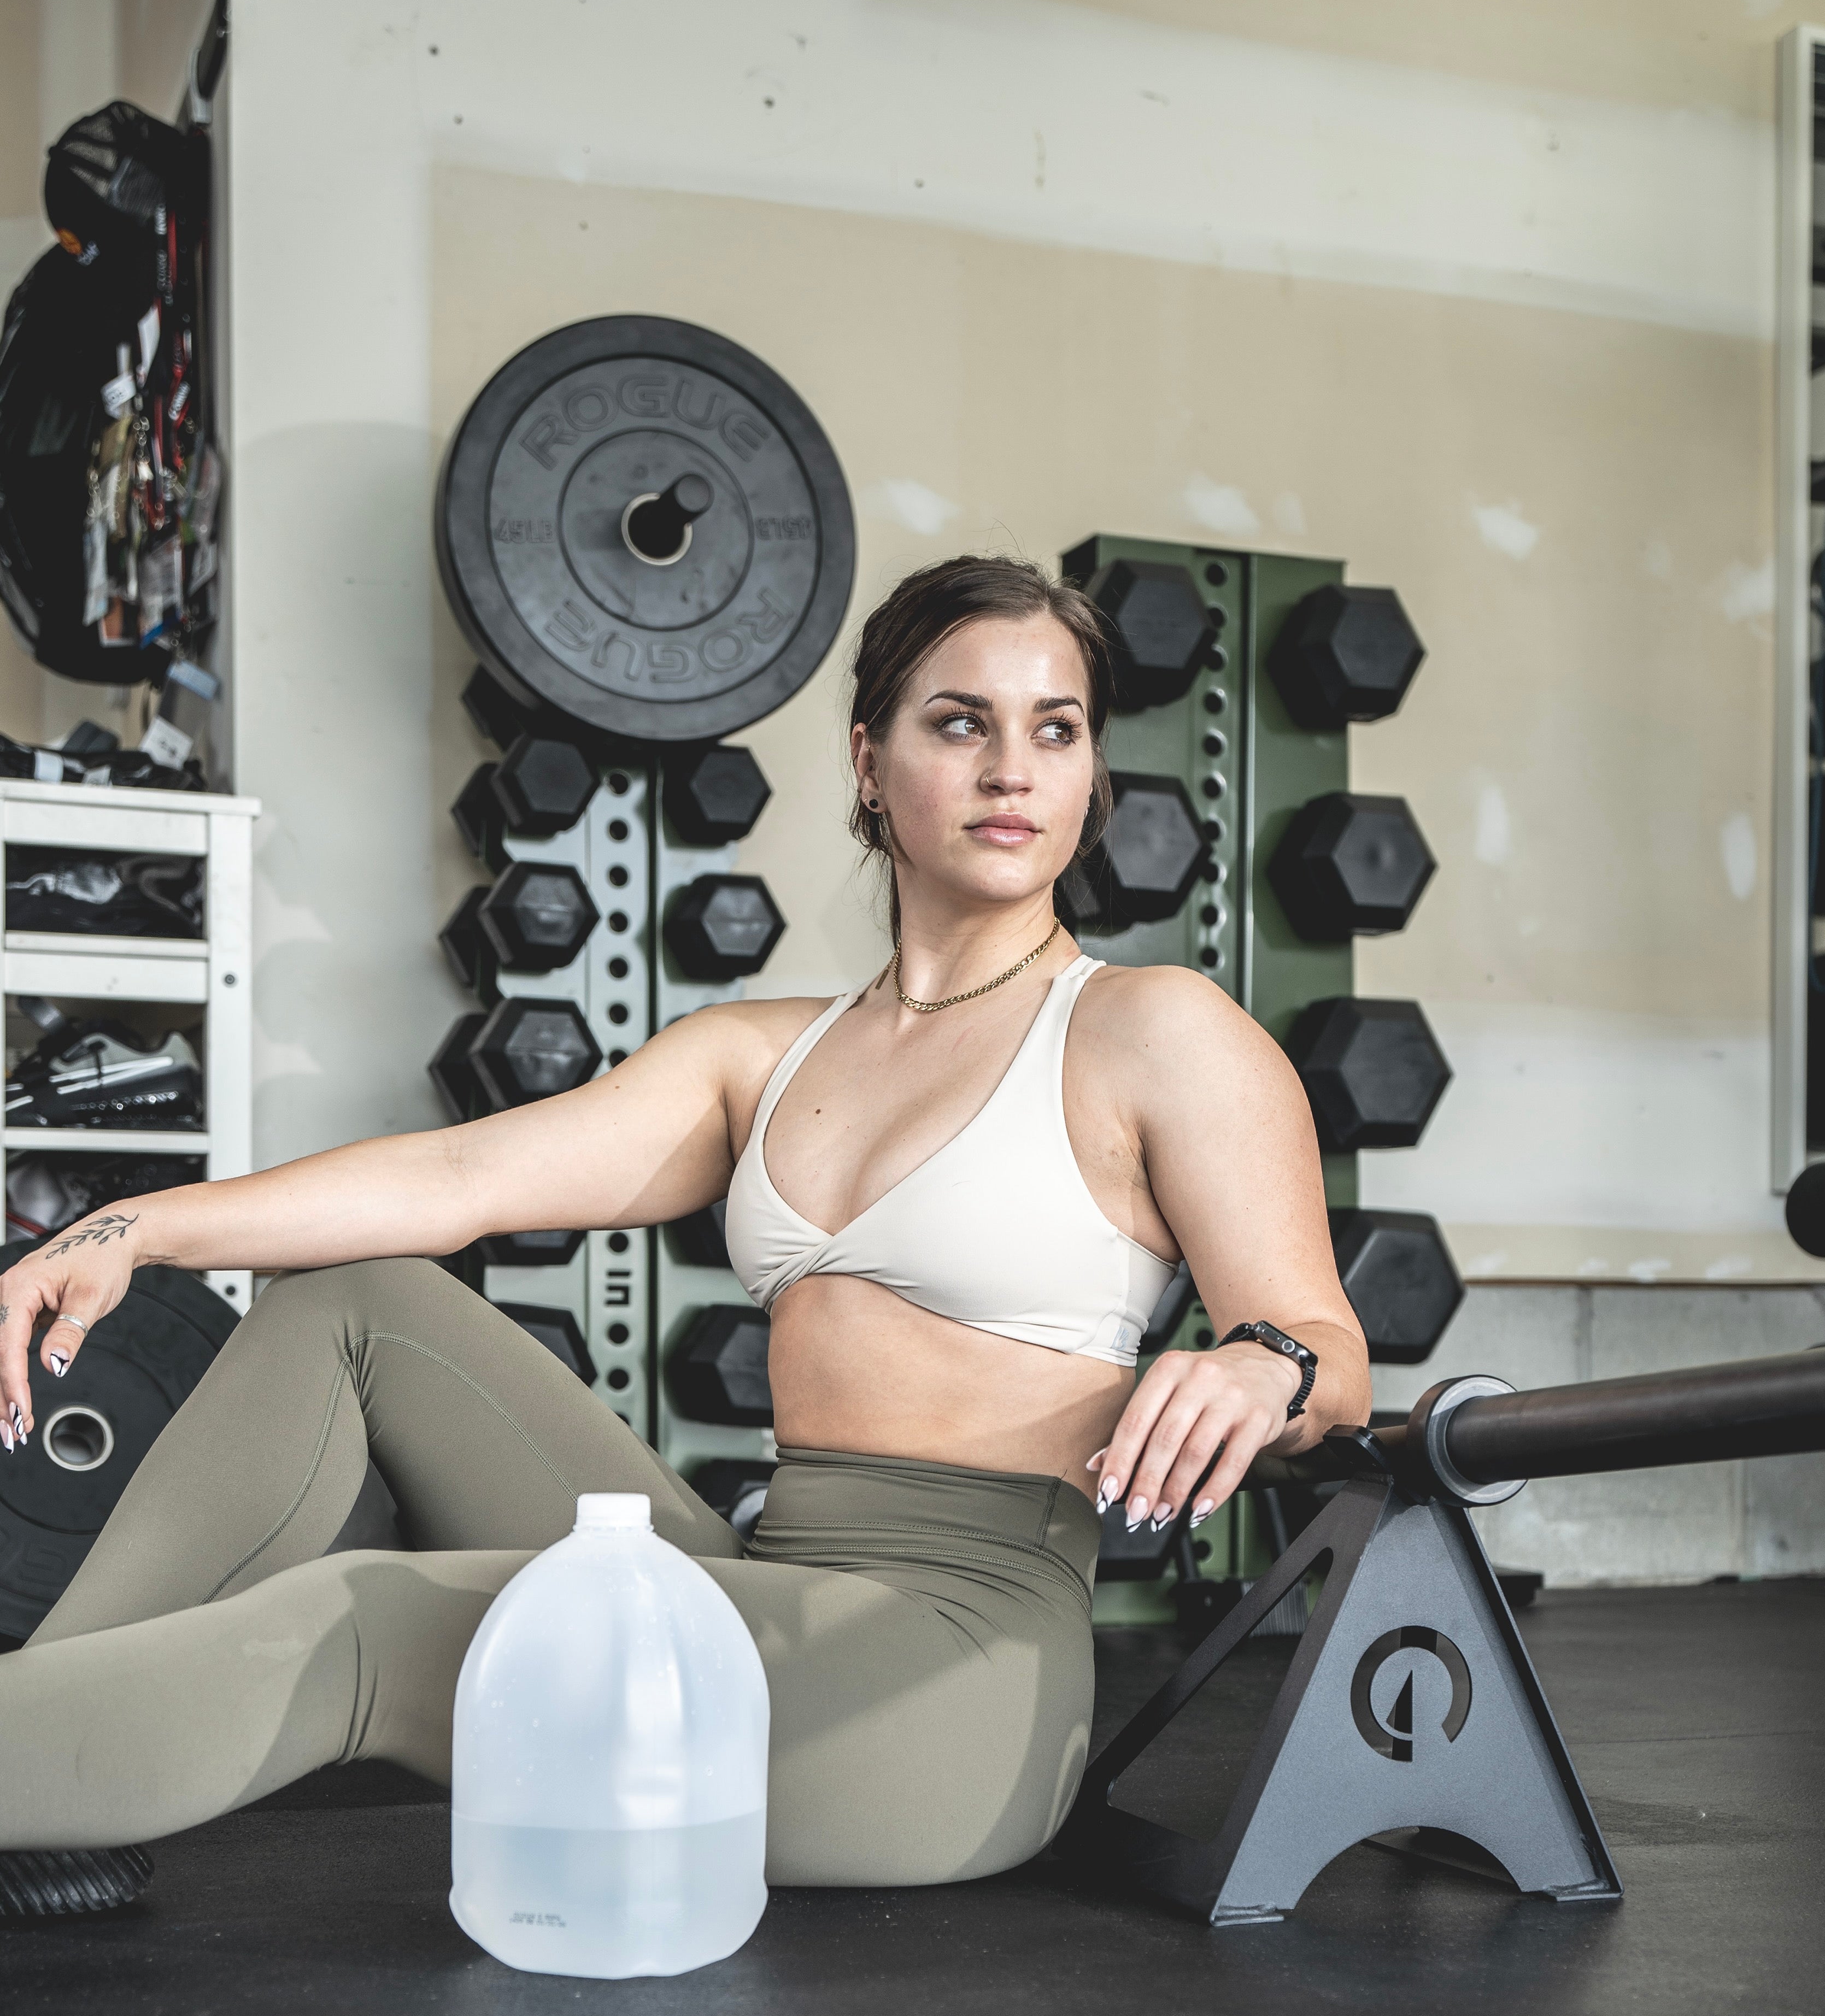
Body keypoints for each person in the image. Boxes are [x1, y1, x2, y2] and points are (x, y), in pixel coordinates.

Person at [0, 554, 1370, 1903]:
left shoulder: (1156, 1030)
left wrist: (1263, 1365)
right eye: (961, 722)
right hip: (763, 1581)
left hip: (945, 1677)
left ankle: (41, 1763)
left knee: (372, 1620)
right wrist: (133, 1225)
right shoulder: (758, 1054)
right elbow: (461, 1173)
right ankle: (53, 1764)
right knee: (356, 1302)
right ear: (868, 757)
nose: (1015, 768)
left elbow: (1326, 1346)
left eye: (1055, 729)